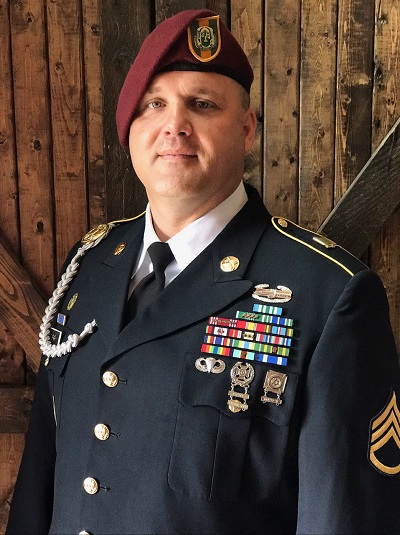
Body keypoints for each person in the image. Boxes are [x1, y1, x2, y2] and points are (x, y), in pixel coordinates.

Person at [6, 9, 400, 535]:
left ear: (246, 128)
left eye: (202, 104)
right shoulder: (90, 264)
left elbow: (345, 518)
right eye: (154, 104)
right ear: (130, 129)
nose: (174, 125)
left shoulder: (327, 294)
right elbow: (41, 480)